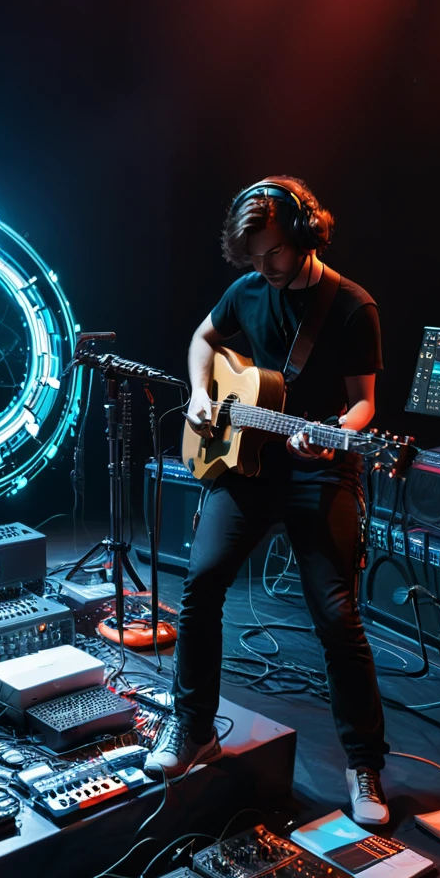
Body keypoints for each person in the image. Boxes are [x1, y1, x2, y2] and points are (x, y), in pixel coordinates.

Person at [143, 176, 390, 825]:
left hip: (317, 472)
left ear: (306, 234)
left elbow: (364, 402)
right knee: (199, 583)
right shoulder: (248, 287)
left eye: (273, 252)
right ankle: (195, 727)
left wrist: (337, 436)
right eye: (253, 256)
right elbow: (204, 339)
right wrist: (202, 395)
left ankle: (365, 765)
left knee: (337, 618)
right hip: (246, 466)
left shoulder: (351, 307)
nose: (264, 267)